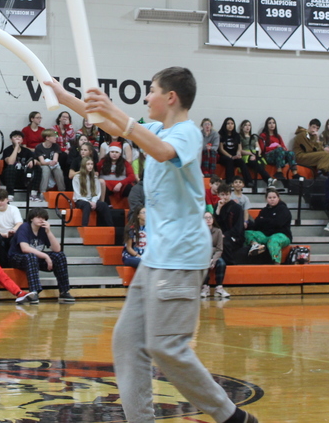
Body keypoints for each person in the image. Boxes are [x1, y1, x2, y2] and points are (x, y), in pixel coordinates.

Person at [45, 67, 259, 423]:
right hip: (157, 257)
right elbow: (115, 125)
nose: (146, 98)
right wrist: (62, 96)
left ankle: (232, 417)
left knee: (166, 347)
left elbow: (160, 151)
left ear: (170, 97)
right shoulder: (155, 127)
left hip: (181, 255)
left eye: (151, 91)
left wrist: (115, 112)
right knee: (128, 344)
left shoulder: (187, 133)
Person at [8, 208, 74, 303]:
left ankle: (64, 291)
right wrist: (46, 256)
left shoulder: (43, 230)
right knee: (31, 256)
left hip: (34, 258)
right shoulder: (24, 227)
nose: (41, 220)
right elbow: (25, 248)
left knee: (60, 256)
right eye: (38, 217)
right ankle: (34, 292)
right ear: (31, 218)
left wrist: (48, 232)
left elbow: (57, 249)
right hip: (17, 257)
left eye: (43, 218)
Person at [244, 189, 292, 265]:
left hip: (282, 235)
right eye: (270, 198)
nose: (272, 199)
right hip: (266, 235)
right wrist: (270, 221)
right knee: (247, 233)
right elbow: (257, 223)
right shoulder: (264, 210)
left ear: (278, 198)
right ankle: (256, 245)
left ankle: (276, 264)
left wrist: (264, 220)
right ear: (266, 199)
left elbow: (278, 223)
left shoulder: (284, 210)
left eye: (274, 197)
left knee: (273, 240)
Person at [72, 156, 112, 227]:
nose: (90, 166)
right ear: (84, 165)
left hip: (92, 199)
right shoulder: (77, 177)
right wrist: (89, 202)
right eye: (88, 164)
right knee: (86, 205)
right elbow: (78, 194)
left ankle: (109, 227)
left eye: (91, 164)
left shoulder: (94, 177)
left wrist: (93, 201)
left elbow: (97, 192)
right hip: (81, 200)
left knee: (104, 205)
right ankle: (84, 227)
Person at [0, 189, 23, 266]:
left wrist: (13, 230)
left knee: (15, 237)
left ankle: (13, 263)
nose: (0, 203)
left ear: (7, 200)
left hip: (12, 234)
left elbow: (19, 223)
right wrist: (4, 234)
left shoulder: (13, 209)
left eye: (2, 200)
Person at [215, 184, 246, 266]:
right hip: (220, 234)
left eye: (227, 194)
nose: (225, 197)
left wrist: (225, 235)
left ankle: (230, 265)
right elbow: (215, 224)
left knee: (224, 243)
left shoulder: (237, 208)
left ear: (230, 194)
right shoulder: (217, 206)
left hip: (235, 236)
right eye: (222, 194)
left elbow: (238, 228)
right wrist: (218, 210)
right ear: (218, 195)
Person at [98, 142, 137, 207]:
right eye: (112, 152)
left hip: (121, 185)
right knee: (100, 185)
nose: (114, 154)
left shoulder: (125, 163)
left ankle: (133, 207)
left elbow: (132, 176)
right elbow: (96, 172)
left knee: (131, 188)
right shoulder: (102, 162)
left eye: (116, 152)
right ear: (109, 152)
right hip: (106, 185)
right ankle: (107, 205)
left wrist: (121, 183)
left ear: (120, 154)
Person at [31, 129, 65, 201]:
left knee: (58, 170)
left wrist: (53, 162)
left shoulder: (56, 146)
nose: (56, 137)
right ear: (47, 138)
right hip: (43, 164)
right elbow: (42, 162)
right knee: (45, 169)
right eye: (54, 136)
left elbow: (55, 158)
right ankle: (43, 192)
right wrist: (49, 163)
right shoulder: (39, 147)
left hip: (52, 164)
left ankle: (62, 191)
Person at [259, 116, 296, 183]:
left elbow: (283, 147)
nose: (272, 125)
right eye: (269, 123)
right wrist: (276, 147)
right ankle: (279, 172)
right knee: (279, 150)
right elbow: (263, 149)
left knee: (291, 153)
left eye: (273, 123)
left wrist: (283, 149)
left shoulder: (278, 136)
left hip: (280, 155)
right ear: (266, 125)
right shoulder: (263, 135)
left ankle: (295, 173)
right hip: (268, 157)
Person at [238, 119, 271, 193]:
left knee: (259, 163)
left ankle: (268, 180)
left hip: (255, 154)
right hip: (246, 154)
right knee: (254, 162)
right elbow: (240, 150)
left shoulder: (254, 137)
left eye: (249, 125)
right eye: (245, 125)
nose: (247, 127)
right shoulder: (239, 137)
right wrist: (250, 154)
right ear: (242, 127)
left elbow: (258, 148)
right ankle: (268, 179)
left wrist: (256, 154)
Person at [201, 211, 227, 299]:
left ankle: (219, 288)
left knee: (221, 263)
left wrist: (214, 260)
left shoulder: (218, 231)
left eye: (210, 217)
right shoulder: (199, 232)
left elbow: (219, 249)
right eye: (206, 218)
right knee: (203, 264)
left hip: (215, 255)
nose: (208, 220)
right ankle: (205, 287)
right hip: (204, 256)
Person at [0, 130, 34, 194]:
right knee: (10, 167)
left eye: (19, 137)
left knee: (37, 168)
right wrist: (16, 147)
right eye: (15, 137)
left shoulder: (27, 151)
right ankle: (10, 194)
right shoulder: (7, 150)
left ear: (22, 140)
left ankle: (34, 193)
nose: (18, 138)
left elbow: (35, 160)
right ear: (11, 139)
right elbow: (10, 162)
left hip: (23, 176)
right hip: (9, 176)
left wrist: (33, 161)